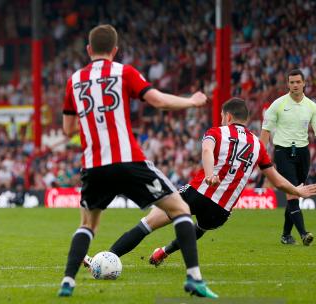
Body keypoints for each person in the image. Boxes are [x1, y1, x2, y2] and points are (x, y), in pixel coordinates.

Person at [57, 24, 212, 298]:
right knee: (179, 209)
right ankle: (194, 278)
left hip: (94, 165)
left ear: (89, 49)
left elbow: (68, 130)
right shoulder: (124, 72)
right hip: (129, 161)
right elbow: (159, 101)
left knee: (87, 225)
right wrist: (191, 101)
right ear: (115, 50)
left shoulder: (74, 80)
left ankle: (68, 282)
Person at [89, 98, 316, 269]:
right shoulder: (258, 145)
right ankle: (164, 252)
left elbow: (207, 151)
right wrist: (296, 190)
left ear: (227, 116)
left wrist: (210, 173)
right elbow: (275, 178)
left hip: (199, 192)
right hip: (221, 210)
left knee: (148, 223)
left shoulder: (217, 132)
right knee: (199, 229)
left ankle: (108, 258)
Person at [260, 69, 316, 245]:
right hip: (283, 152)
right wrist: (262, 158)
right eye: (292, 82)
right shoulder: (278, 104)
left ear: (304, 83)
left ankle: (285, 235)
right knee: (293, 193)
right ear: (288, 84)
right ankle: (303, 234)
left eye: (298, 82)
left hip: (303, 152)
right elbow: (266, 132)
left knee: (295, 193)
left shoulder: (312, 106)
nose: (295, 85)